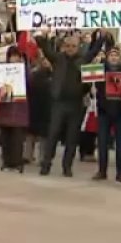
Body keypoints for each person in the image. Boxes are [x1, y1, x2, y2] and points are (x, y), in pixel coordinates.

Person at [37, 32, 86, 177]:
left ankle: (67, 167)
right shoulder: (58, 59)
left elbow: (95, 50)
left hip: (76, 103)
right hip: (59, 102)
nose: (70, 48)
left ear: (78, 47)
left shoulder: (83, 60)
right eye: (68, 46)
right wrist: (43, 36)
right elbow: (46, 50)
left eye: (73, 46)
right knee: (52, 133)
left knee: (72, 137)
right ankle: (46, 164)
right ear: (64, 47)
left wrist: (102, 37)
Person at [93, 48, 121, 182]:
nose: (114, 57)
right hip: (104, 110)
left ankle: (120, 173)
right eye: (111, 55)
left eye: (116, 55)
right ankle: (102, 171)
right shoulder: (101, 69)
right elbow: (93, 83)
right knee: (102, 143)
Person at [0, 46, 30, 172]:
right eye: (12, 56)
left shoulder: (25, 71)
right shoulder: (2, 70)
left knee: (17, 137)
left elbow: (29, 85)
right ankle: (6, 161)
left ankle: (16, 162)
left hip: (19, 108)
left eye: (16, 56)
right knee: (5, 136)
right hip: (5, 107)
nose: (14, 58)